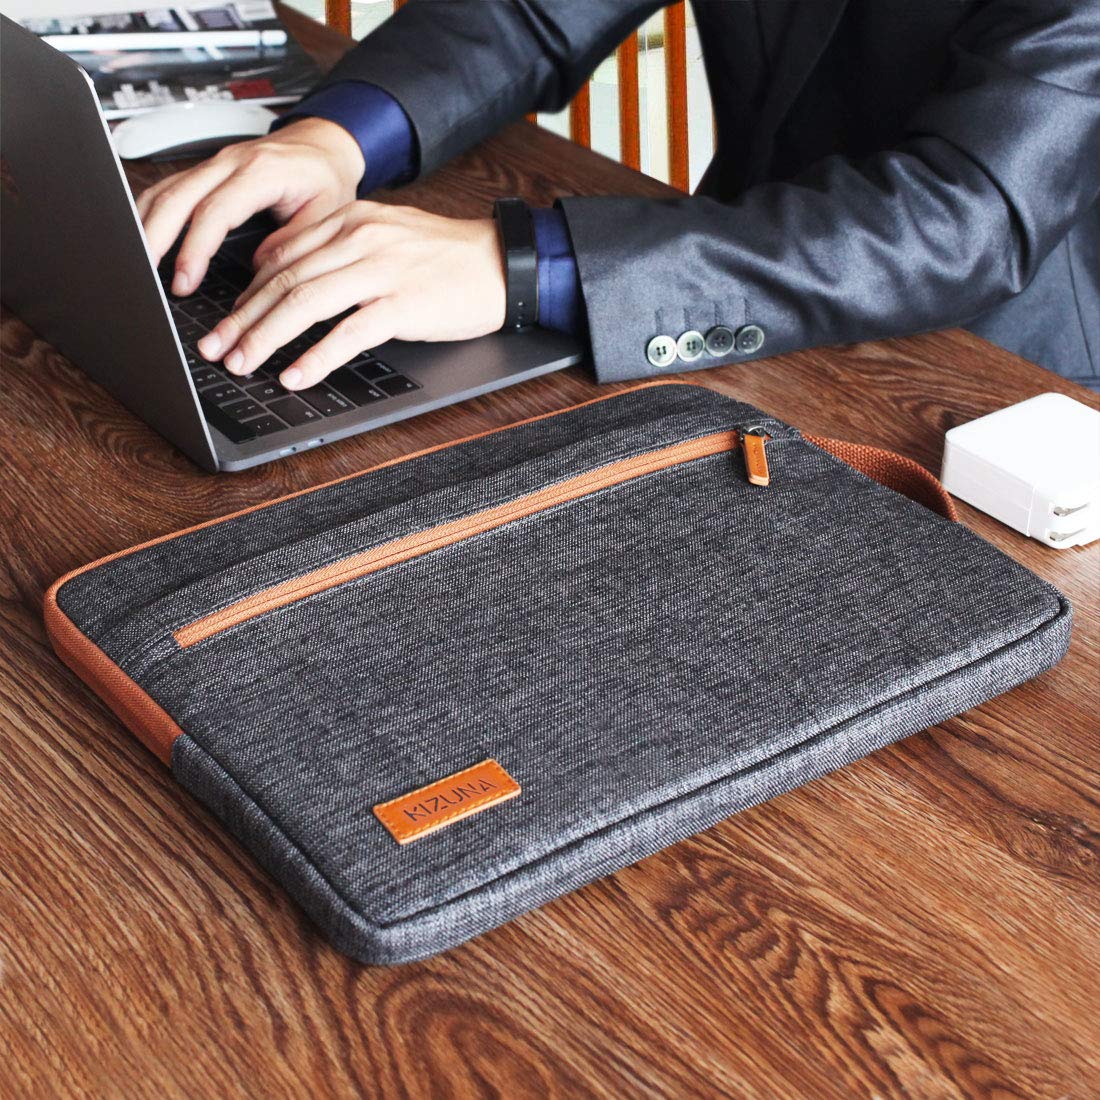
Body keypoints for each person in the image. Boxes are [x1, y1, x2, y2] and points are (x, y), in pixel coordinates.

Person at [138, 0, 1100, 395]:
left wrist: (519, 262)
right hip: (705, 312)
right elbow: (525, 11)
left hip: (987, 388)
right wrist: (336, 137)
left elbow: (963, 215)